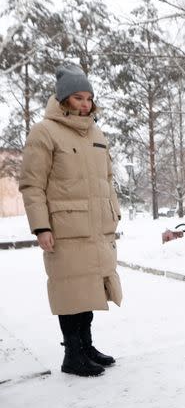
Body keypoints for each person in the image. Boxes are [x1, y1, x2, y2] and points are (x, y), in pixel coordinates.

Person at [19, 63, 123, 377]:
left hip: (95, 228)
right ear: (63, 99)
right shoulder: (44, 132)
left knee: (89, 288)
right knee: (70, 290)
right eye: (78, 98)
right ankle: (72, 355)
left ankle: (86, 346)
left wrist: (112, 214)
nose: (85, 104)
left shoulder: (96, 133)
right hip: (64, 228)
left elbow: (107, 178)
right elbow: (32, 183)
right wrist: (41, 226)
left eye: (88, 98)